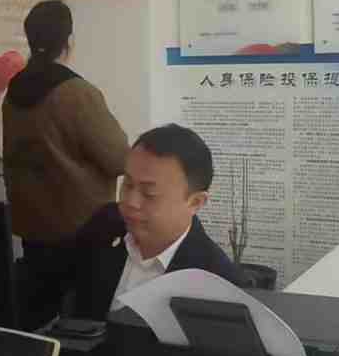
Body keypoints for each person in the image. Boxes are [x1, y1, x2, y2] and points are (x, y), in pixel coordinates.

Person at [2, 0, 130, 325]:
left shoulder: (13, 92)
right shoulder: (76, 93)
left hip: (33, 227)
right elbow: (119, 159)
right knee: (84, 319)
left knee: (40, 315)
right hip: (83, 230)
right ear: (69, 41)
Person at [63, 123, 243, 321]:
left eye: (149, 194)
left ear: (195, 202)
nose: (131, 202)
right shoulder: (105, 224)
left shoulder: (216, 281)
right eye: (127, 184)